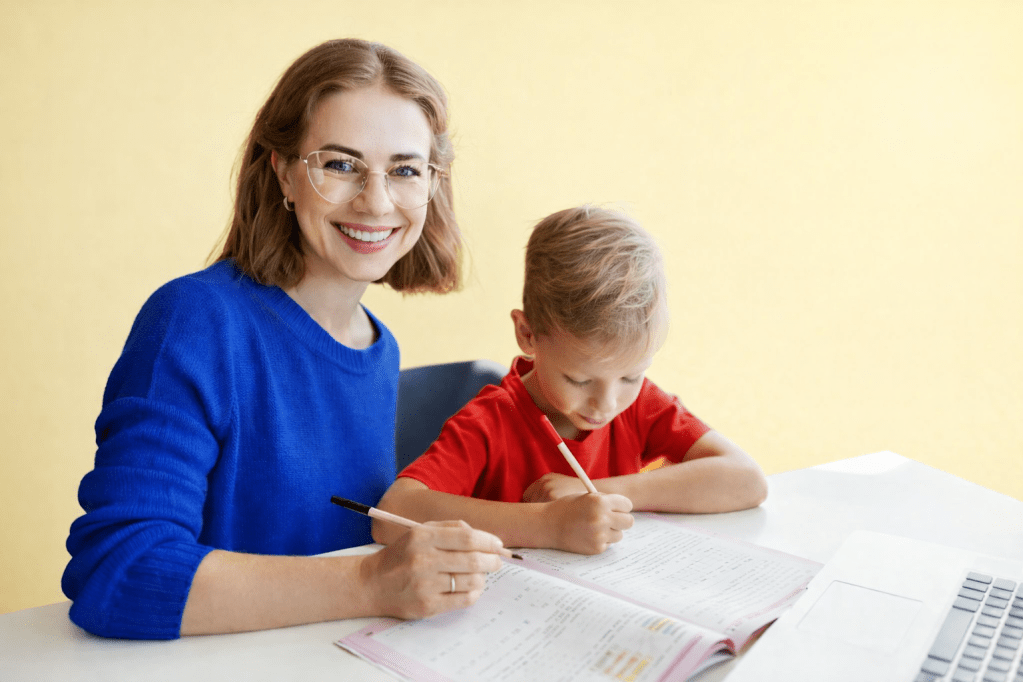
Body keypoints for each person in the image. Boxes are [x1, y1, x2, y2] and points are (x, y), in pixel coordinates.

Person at [61, 39, 508, 640]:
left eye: (404, 170)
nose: (376, 202)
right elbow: (119, 572)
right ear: (283, 174)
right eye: (340, 164)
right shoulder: (194, 321)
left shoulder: (379, 346)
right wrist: (373, 583)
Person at [374, 206, 769, 555]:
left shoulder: (643, 404)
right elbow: (393, 514)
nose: (606, 403)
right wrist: (549, 524)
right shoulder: (490, 422)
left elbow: (746, 480)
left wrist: (600, 492)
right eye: (579, 380)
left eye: (631, 375)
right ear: (528, 335)